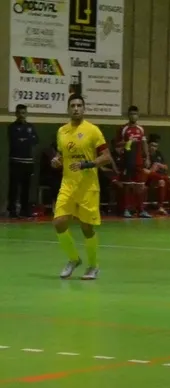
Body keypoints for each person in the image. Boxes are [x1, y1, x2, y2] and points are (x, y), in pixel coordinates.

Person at [51, 94, 113, 280]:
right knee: (59, 222)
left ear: (84, 109)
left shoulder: (93, 131)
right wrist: (57, 160)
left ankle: (93, 266)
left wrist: (87, 164)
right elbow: (62, 155)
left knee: (86, 227)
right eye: (73, 105)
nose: (76, 108)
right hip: (67, 185)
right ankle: (73, 259)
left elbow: (106, 157)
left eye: (79, 105)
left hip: (87, 186)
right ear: (68, 109)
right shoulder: (62, 131)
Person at [114, 105, 151, 218]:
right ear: (128, 115)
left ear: (138, 115)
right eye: (131, 114)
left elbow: (144, 143)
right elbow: (117, 144)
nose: (133, 116)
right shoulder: (123, 129)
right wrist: (127, 142)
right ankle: (126, 209)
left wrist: (147, 157)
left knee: (140, 186)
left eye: (135, 114)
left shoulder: (141, 129)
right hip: (127, 160)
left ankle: (141, 210)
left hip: (138, 161)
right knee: (127, 186)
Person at [7, 104, 39, 218]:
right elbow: (15, 141)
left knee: (26, 187)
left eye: (23, 113)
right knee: (14, 187)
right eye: (19, 113)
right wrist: (26, 139)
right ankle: (12, 210)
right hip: (15, 161)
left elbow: (35, 140)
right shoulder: (12, 127)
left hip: (28, 162)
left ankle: (24, 210)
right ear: (16, 114)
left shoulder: (31, 127)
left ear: (26, 114)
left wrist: (24, 139)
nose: (22, 115)